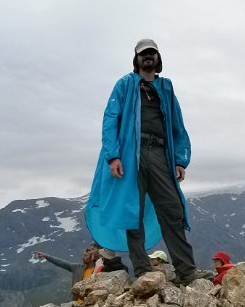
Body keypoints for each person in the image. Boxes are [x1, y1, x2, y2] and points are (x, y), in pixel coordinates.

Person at [86, 38, 202, 285]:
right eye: (143, 54)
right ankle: (142, 271)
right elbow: (110, 119)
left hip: (160, 153)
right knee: (132, 212)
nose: (148, 57)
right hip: (131, 155)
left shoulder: (166, 88)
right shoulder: (125, 84)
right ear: (136, 58)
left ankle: (187, 272)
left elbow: (177, 125)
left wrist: (180, 160)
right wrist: (113, 156)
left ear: (158, 58)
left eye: (152, 53)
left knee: (172, 209)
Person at [34, 242, 100, 285]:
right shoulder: (78, 268)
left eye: (85, 256)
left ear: (93, 257)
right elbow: (62, 263)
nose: (83, 257)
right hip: (74, 302)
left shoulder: (99, 271)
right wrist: (46, 256)